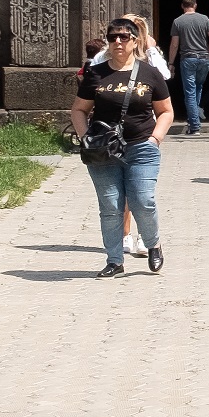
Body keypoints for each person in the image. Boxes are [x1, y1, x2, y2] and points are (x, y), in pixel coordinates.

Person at [71, 15, 171, 278]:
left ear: (134, 40)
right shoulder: (96, 73)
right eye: (112, 37)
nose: (117, 41)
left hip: (141, 147)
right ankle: (115, 260)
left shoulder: (150, 73)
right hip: (103, 150)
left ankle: (154, 243)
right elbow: (79, 110)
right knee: (111, 205)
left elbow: (166, 111)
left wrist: (155, 138)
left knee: (142, 200)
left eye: (123, 36)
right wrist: (85, 138)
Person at [167, 0, 209, 131]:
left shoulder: (178, 21)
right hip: (204, 58)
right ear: (195, 5)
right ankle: (193, 118)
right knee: (198, 88)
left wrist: (171, 63)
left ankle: (194, 126)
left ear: (182, 6)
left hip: (188, 59)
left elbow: (175, 44)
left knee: (190, 92)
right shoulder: (204, 18)